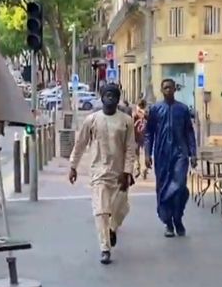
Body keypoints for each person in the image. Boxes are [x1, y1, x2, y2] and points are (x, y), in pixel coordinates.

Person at [69, 83, 136, 265]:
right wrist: (73, 166)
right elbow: (80, 143)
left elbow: (130, 148)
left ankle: (112, 229)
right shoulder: (91, 120)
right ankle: (105, 248)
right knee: (101, 211)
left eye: (114, 96)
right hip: (98, 172)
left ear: (118, 98)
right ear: (102, 97)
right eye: (107, 95)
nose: (110, 99)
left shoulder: (126, 121)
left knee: (121, 208)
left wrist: (128, 171)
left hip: (119, 174)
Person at [145, 78, 197, 238]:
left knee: (179, 186)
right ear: (162, 90)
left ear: (175, 89)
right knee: (163, 189)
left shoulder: (182, 109)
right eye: (165, 88)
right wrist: (147, 154)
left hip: (180, 153)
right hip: (162, 154)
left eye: (170, 87)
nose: (168, 90)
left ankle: (178, 217)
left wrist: (193, 153)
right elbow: (149, 133)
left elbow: (189, 132)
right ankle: (169, 222)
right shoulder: (155, 109)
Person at [133, 99, 148, 179]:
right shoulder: (146, 114)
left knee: (137, 153)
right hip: (144, 137)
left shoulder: (135, 114)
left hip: (137, 137)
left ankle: (138, 168)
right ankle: (143, 169)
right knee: (142, 153)